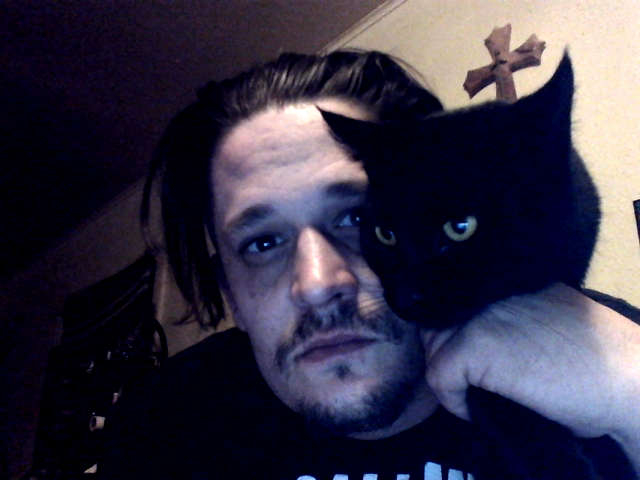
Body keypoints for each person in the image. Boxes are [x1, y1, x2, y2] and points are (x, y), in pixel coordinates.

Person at [101, 50, 640, 479]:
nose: (317, 284)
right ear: (232, 296)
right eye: (262, 244)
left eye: (356, 218)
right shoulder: (165, 424)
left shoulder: (605, 353)